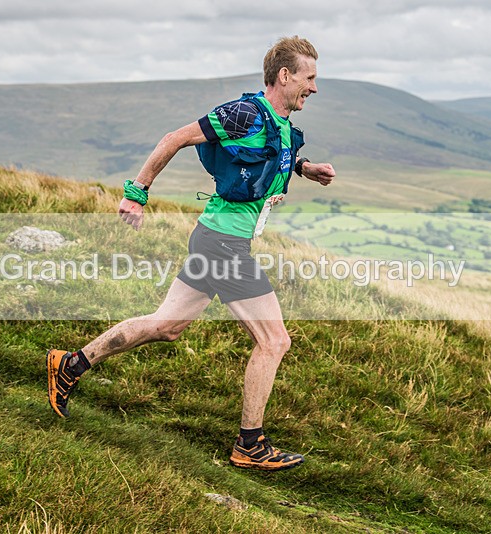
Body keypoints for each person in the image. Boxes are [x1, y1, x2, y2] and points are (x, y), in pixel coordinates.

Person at [47, 36, 336, 471]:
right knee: (274, 341)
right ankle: (250, 445)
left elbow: (272, 155)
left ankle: (69, 364)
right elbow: (174, 138)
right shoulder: (242, 113)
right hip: (223, 244)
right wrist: (135, 193)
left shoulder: (279, 124)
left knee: (167, 326)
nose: (313, 88)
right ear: (285, 76)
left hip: (214, 238)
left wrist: (304, 168)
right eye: (309, 78)